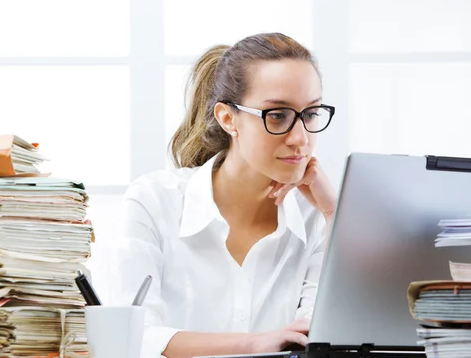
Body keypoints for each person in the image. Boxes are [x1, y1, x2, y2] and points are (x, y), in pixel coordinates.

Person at [102, 33, 337, 358]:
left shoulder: (318, 219)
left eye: (310, 114)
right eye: (278, 115)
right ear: (228, 119)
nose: (300, 138)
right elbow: (132, 335)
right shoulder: (154, 202)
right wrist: (256, 343)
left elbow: (328, 337)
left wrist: (335, 215)